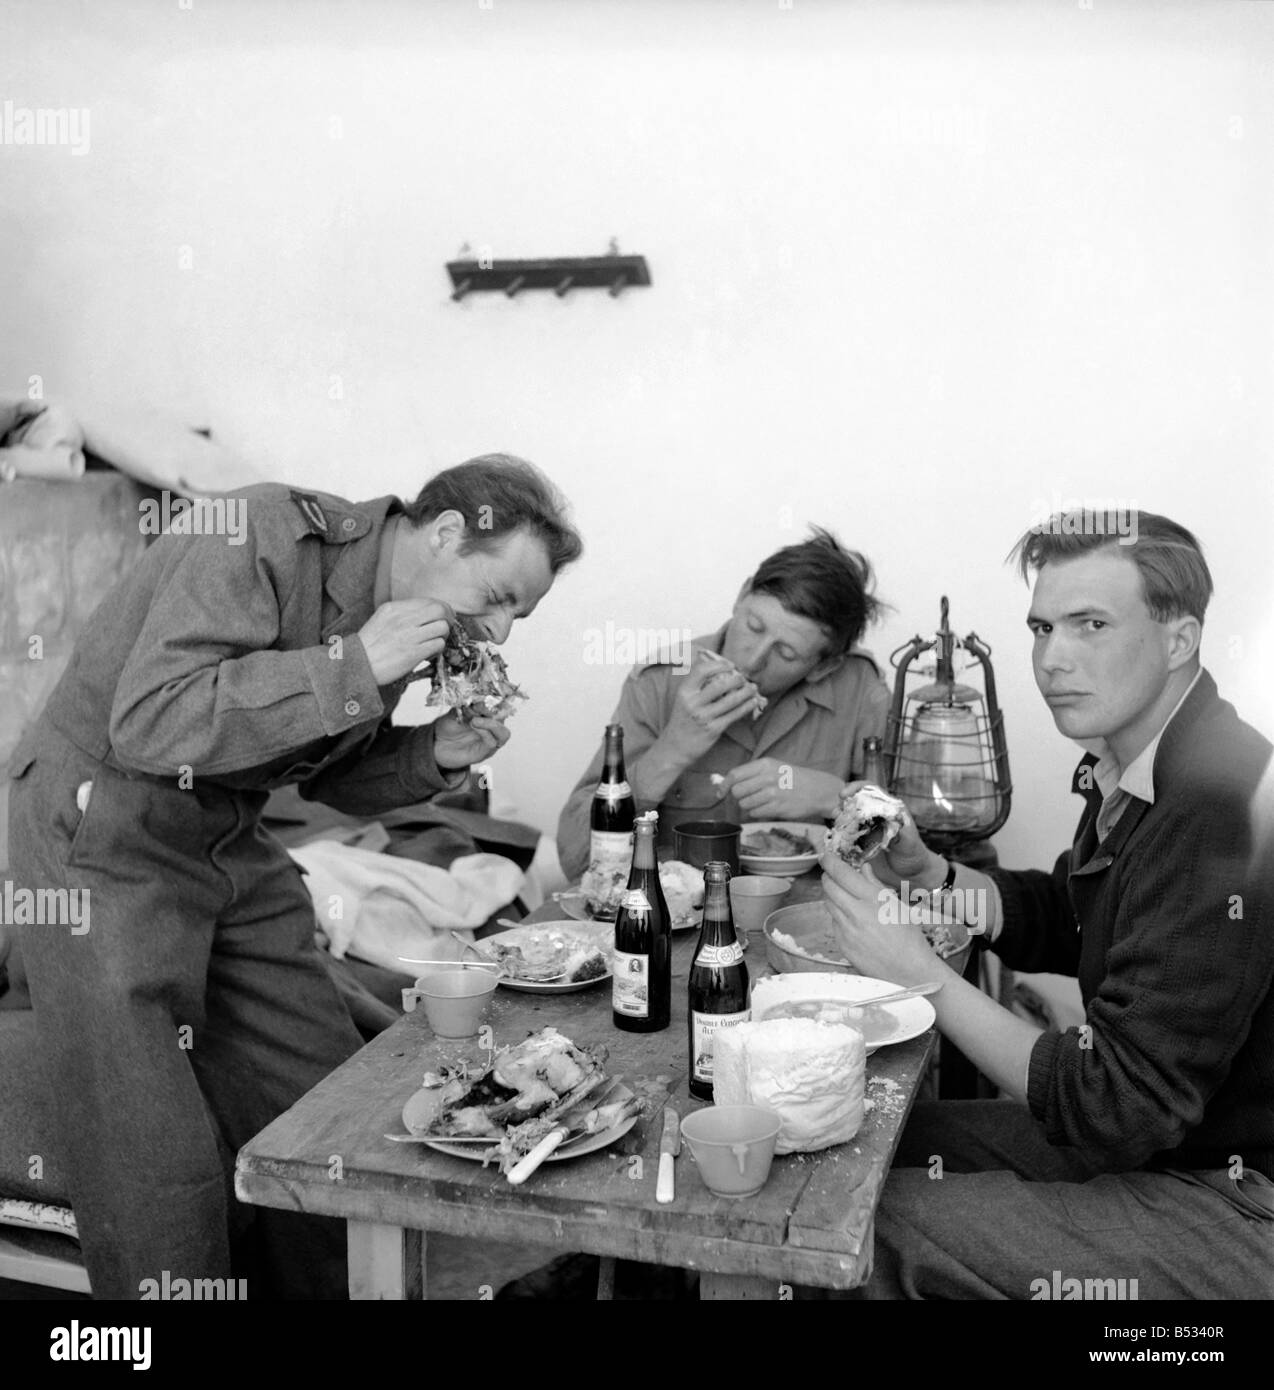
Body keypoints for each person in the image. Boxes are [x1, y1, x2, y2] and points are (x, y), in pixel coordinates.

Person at [6, 453, 582, 1299]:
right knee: (146, 1141)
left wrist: (430, 754)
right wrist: (357, 663)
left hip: (225, 829)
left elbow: (324, 779)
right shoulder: (256, 532)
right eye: (497, 599)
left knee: (325, 1084)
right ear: (450, 533)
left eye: (516, 617)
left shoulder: (396, 611)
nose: (497, 633)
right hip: (100, 828)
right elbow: (151, 723)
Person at [821, 511, 1274, 1300]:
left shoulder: (1217, 801)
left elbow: (1117, 1105)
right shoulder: (1137, 764)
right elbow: (1073, 915)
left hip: (1235, 1196)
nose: (1052, 660)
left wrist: (920, 974)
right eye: (1040, 627)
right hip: (1169, 1144)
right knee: (873, 1138)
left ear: (1179, 639)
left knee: (851, 1218)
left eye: (1090, 624)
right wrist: (931, 875)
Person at [557, 527, 890, 879]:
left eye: (787, 653)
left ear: (824, 666)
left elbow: (905, 862)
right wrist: (674, 748)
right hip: (682, 916)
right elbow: (577, 859)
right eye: (753, 626)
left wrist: (836, 799)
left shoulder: (861, 690)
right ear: (742, 593)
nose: (755, 658)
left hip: (810, 917)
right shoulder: (659, 683)